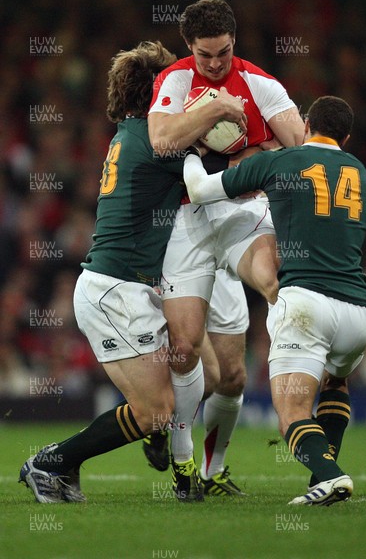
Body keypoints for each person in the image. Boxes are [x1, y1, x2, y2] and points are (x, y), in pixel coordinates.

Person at [18, 41, 229, 503]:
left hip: (134, 289)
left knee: (204, 373)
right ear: (158, 90)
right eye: (175, 85)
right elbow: (220, 172)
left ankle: (163, 446)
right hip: (114, 292)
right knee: (155, 411)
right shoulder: (158, 141)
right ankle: (50, 462)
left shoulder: (133, 134)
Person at [183, 95, 366, 505]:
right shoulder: (360, 172)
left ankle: (329, 475)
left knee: (291, 413)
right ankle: (322, 478)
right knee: (334, 380)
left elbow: (199, 190)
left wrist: (189, 152)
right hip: (360, 312)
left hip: (306, 304)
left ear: (305, 123)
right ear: (346, 136)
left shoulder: (280, 163)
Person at [147, 0, 304, 498]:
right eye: (205, 55)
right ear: (188, 47)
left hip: (240, 210)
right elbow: (160, 140)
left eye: (224, 53)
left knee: (233, 374)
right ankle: (177, 456)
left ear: (234, 42)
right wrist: (216, 107)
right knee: (186, 347)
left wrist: (261, 154)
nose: (215, 64)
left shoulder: (260, 83)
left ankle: (213, 475)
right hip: (188, 219)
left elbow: (301, 148)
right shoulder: (173, 80)